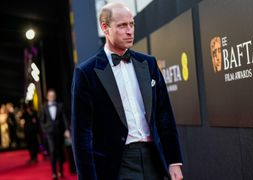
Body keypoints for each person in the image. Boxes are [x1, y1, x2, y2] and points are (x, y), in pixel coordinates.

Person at [71, 2, 183, 180]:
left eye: (132, 24)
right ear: (105, 28)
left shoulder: (149, 64)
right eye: (122, 25)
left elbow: (164, 115)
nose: (130, 30)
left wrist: (174, 161)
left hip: (154, 158)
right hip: (117, 163)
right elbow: (82, 133)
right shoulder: (86, 72)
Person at [40, 89, 70, 180]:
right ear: (47, 97)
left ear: (55, 96)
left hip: (59, 132)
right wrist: (45, 130)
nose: (52, 97)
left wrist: (66, 130)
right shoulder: (44, 107)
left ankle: (60, 171)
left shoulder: (60, 106)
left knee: (60, 152)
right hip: (50, 134)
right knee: (52, 151)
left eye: (53, 95)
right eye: (50, 95)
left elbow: (64, 119)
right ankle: (54, 173)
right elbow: (41, 121)